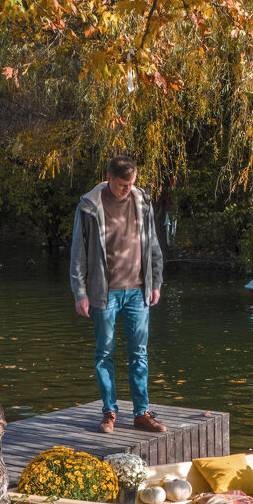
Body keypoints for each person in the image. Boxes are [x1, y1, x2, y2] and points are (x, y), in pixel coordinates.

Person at [70, 155, 166, 434]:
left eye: (132, 183)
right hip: (104, 292)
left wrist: (156, 281)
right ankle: (109, 412)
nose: (128, 189)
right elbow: (78, 253)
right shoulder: (89, 206)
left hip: (139, 290)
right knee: (104, 354)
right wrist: (80, 292)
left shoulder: (142, 202)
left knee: (139, 354)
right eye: (124, 184)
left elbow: (153, 246)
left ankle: (141, 413)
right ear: (109, 177)